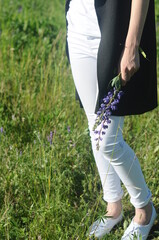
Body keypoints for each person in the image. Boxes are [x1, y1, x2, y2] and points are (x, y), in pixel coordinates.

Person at [65, 0, 158, 239]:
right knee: (93, 125)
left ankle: (145, 210)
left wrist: (132, 45)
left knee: (107, 140)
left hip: (114, 34)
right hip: (78, 27)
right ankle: (113, 207)